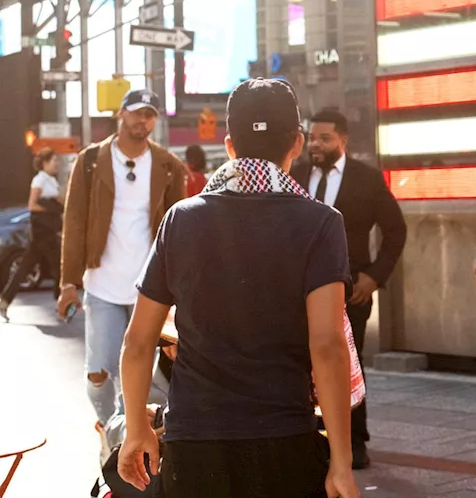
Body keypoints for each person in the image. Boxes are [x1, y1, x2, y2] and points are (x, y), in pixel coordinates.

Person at [117, 78, 359, 498]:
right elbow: (328, 346)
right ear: (297, 143)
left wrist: (137, 427)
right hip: (285, 437)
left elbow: (139, 341)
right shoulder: (321, 223)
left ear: (230, 145)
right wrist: (341, 461)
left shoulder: (181, 220)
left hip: (194, 440)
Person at [58, 89, 188, 425]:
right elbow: (74, 223)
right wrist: (68, 284)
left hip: (150, 289)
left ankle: (129, 439)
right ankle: (110, 429)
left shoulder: (169, 165)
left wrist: (180, 290)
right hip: (102, 283)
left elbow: (179, 229)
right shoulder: (90, 161)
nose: (141, 121)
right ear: (121, 114)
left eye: (149, 114)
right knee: (98, 372)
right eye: (136, 113)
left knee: (143, 375)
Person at [290, 108, 407, 470]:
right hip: (298, 291)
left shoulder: (366, 179)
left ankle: (355, 441)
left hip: (350, 290)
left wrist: (374, 276)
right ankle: (310, 439)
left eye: (324, 138)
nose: (316, 144)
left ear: (343, 140)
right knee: (299, 363)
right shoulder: (294, 175)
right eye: (312, 137)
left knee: (346, 365)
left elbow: (396, 230)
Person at [0, 148, 63, 320]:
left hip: (46, 233)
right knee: (58, 266)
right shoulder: (39, 180)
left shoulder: (51, 180)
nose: (57, 163)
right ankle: (63, 304)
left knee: (25, 268)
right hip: (43, 232)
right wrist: (51, 208)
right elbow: (32, 205)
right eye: (54, 161)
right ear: (44, 163)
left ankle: (5, 300)